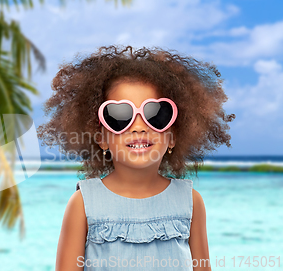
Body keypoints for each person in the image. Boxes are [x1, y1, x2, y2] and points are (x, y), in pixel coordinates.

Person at [37, 45, 236, 270]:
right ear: (101, 138)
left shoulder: (191, 203)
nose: (139, 127)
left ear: (172, 136)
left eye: (155, 115)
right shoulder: (83, 204)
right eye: (120, 116)